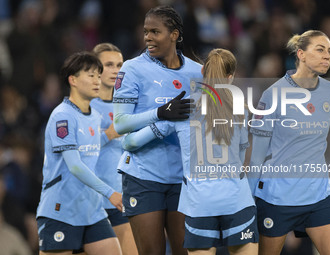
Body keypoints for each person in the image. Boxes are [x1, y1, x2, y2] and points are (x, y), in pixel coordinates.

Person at [121, 48, 259, 255]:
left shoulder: (183, 109)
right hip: (236, 200)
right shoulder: (241, 108)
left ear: (202, 71)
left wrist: (161, 113)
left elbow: (130, 142)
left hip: (199, 204)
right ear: (230, 77)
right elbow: (241, 159)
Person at [112, 5, 202, 255]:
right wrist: (161, 113)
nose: (148, 38)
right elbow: (120, 124)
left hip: (183, 177)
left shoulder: (197, 72)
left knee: (185, 251)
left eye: (155, 31)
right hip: (143, 176)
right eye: (145, 32)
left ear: (174, 34)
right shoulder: (132, 69)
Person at [248, 30, 330, 255]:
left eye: (329, 51)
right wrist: (248, 201)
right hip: (278, 197)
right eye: (319, 50)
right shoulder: (272, 94)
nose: (327, 56)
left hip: (319, 194)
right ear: (301, 54)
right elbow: (257, 155)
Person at [36, 51, 122, 255]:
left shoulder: (95, 116)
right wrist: (111, 193)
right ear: (72, 80)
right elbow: (74, 165)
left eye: (98, 76)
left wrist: (108, 135)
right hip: (62, 210)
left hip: (92, 211)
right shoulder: (62, 116)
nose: (97, 81)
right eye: (90, 75)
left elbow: (89, 145)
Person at [91, 43, 138, 255]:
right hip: (91, 201)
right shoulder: (85, 106)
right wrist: (108, 134)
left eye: (119, 65)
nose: (115, 70)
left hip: (120, 199)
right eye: (108, 64)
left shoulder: (127, 106)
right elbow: (74, 151)